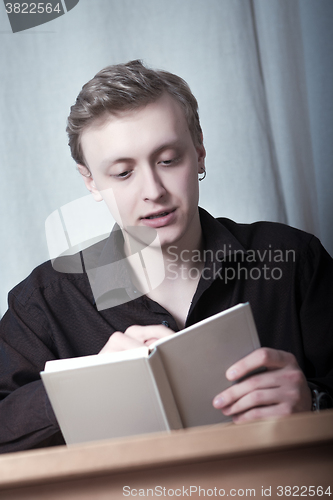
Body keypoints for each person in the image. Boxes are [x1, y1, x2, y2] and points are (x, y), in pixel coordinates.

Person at [0, 60, 332, 454]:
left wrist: (314, 405)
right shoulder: (42, 302)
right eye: (123, 173)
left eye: (168, 160)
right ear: (91, 181)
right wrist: (81, 389)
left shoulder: (295, 260)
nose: (153, 191)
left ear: (200, 152)